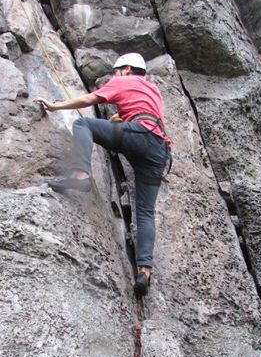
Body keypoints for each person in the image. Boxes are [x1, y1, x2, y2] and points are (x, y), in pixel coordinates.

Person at [33, 53, 172, 296]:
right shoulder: (152, 90)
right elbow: (144, 114)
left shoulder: (122, 81)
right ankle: (144, 272)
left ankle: (79, 175)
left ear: (126, 69)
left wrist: (56, 105)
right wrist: (121, 118)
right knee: (145, 212)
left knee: (83, 125)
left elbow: (90, 99)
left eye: (116, 71)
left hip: (138, 135)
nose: (114, 76)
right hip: (159, 149)